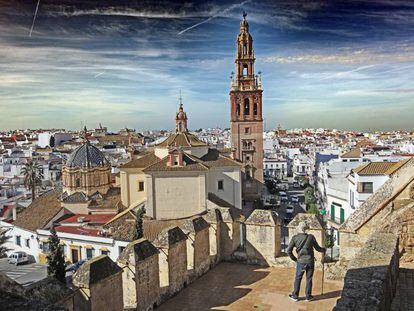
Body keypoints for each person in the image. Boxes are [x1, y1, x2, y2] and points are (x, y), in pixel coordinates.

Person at [287, 221, 325, 302]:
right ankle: (308, 296)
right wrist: (324, 250)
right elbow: (318, 248)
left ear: (299, 229)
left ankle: (295, 296)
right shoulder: (311, 237)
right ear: (306, 229)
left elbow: (288, 251)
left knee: (298, 278)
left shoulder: (295, 238)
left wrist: (295, 259)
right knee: (309, 279)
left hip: (300, 262)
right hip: (310, 261)